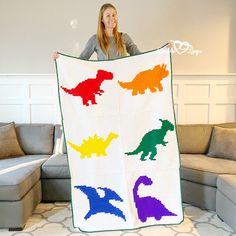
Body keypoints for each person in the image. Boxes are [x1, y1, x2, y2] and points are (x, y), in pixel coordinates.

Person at [53, 3, 172, 60]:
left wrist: (163, 50)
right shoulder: (95, 40)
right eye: (108, 15)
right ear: (102, 19)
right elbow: (81, 59)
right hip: (105, 85)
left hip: (122, 81)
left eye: (114, 15)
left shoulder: (124, 37)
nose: (112, 18)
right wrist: (61, 59)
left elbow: (139, 56)